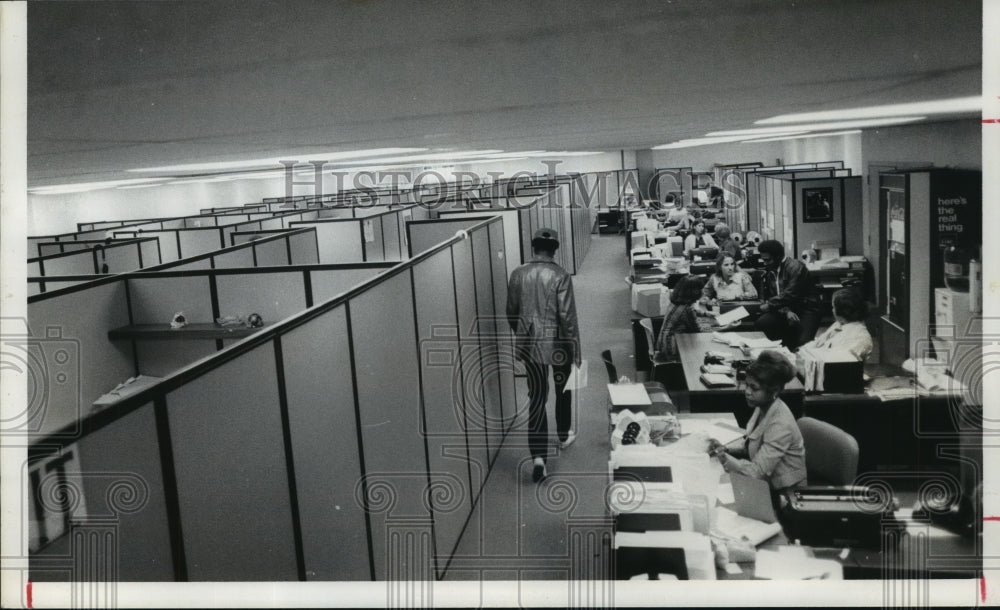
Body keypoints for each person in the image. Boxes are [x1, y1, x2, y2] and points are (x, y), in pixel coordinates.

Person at [506, 228, 581, 483]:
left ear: (533, 248)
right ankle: (562, 434)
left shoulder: (518, 274)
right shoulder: (560, 275)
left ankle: (538, 458)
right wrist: (576, 352)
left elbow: (511, 312)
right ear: (555, 250)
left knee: (537, 396)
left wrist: (523, 335)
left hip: (530, 343)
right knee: (563, 389)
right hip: (558, 342)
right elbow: (567, 318)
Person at [707, 351, 807, 493]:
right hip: (766, 483)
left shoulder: (781, 424)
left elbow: (757, 472)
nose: (747, 392)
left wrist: (724, 458)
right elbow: (754, 445)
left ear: (774, 391)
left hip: (785, 494)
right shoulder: (764, 406)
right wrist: (726, 449)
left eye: (754, 388)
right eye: (747, 385)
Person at [754, 239, 823, 350]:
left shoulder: (796, 268)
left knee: (803, 345)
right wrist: (787, 311)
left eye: (767, 260)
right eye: (763, 260)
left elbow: (791, 294)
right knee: (762, 323)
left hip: (807, 309)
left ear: (778, 257)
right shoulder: (771, 271)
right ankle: (783, 346)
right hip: (786, 308)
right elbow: (775, 294)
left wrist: (768, 305)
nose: (765, 263)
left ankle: (791, 344)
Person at [799, 288, 873, 361]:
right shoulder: (839, 323)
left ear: (842, 311)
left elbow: (838, 362)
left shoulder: (859, 336)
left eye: (833, 307)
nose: (832, 310)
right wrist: (800, 351)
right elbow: (819, 342)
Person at [654, 275, 704, 361]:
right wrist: (724, 328)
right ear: (694, 291)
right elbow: (698, 331)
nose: (702, 291)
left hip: (663, 346)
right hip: (672, 351)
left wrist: (704, 313)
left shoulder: (675, 303)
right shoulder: (686, 309)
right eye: (700, 289)